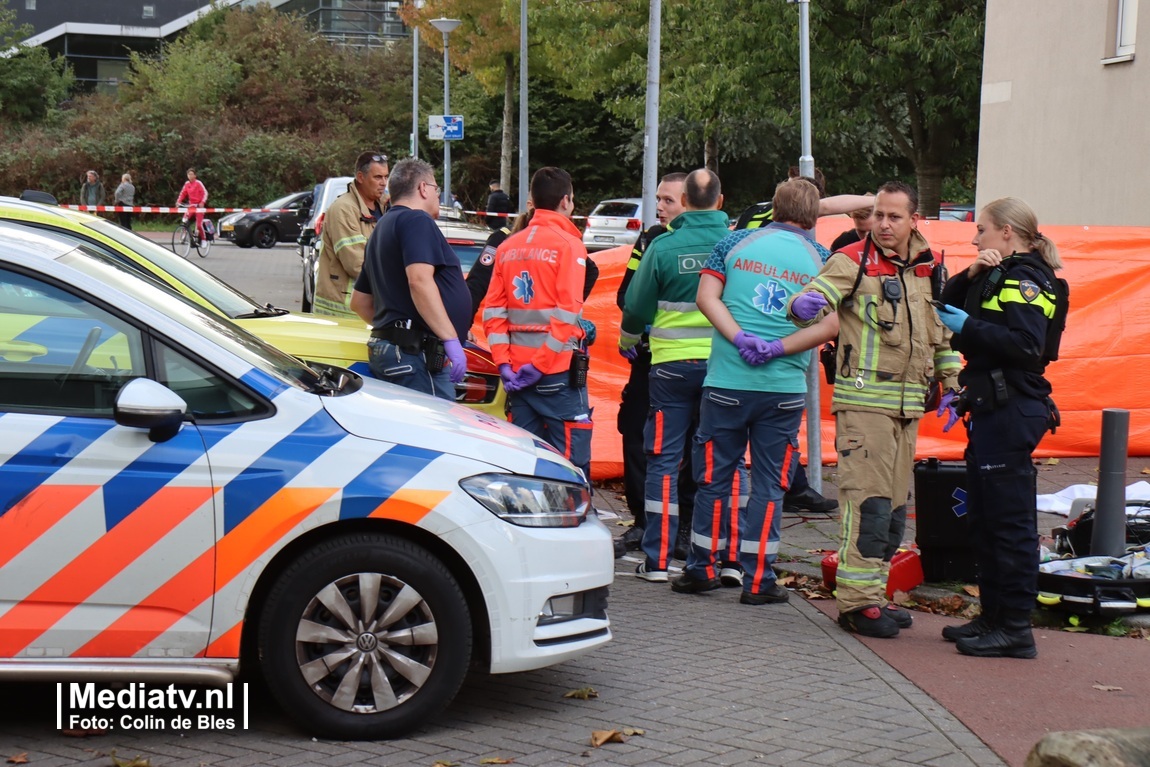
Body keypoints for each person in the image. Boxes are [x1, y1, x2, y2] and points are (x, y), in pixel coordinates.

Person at [788, 180, 962, 638]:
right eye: (879, 215)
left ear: (913, 220)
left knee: (894, 510)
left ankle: (874, 592)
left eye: (894, 217)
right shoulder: (852, 260)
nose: (884, 224)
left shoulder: (927, 268)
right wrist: (805, 305)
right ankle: (856, 604)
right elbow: (818, 294)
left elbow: (939, 334)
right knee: (867, 506)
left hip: (906, 409)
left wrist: (952, 382)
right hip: (864, 406)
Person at [673, 178, 840, 603]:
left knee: (712, 480)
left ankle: (700, 568)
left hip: (727, 383)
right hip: (783, 389)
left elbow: (707, 298)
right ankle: (759, 580)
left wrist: (739, 338)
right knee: (769, 486)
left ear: (775, 208)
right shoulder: (822, 259)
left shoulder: (734, 243)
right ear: (812, 217)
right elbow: (832, 324)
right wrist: (777, 347)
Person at [934, 197, 1066, 659]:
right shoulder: (998, 272)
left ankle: (1015, 628)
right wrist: (970, 274)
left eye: (983, 230)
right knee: (985, 522)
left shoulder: (1026, 277)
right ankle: (992, 616)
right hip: (992, 407)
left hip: (1012, 408)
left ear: (1008, 231)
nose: (975, 237)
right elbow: (942, 306)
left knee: (1009, 526)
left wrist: (970, 326)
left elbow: (1028, 346)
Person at [732, 167, 872, 517]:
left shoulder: (751, 217)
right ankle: (786, 489)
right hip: (781, 335)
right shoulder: (812, 248)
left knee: (730, 436)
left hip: (736, 327)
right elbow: (829, 324)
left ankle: (759, 494)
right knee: (778, 423)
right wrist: (876, 200)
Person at [619, 169, 733, 583]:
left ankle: (658, 559)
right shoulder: (737, 245)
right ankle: (716, 557)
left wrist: (627, 339)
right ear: (720, 202)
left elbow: (634, 306)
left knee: (664, 462)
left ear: (686, 199)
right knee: (719, 462)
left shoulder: (664, 245)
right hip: (724, 370)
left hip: (669, 371)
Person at [483, 167, 591, 478]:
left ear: (533, 201)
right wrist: (542, 364)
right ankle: (572, 522)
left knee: (523, 461)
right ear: (566, 201)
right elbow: (567, 313)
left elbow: (493, 312)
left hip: (517, 374)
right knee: (570, 461)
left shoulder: (507, 247)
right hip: (555, 373)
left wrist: (504, 364)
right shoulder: (569, 245)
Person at [615, 172, 690, 554]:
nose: (659, 207)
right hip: (648, 360)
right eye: (658, 199)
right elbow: (625, 294)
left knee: (689, 444)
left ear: (689, 203)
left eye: (668, 201)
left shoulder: (712, 243)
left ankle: (683, 528)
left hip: (687, 362)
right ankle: (643, 523)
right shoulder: (650, 239)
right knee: (634, 432)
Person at [350, 158, 469, 399]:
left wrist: (394, 327)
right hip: (416, 355)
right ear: (423, 188)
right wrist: (449, 337)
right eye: (437, 189)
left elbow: (359, 301)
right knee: (436, 431)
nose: (438, 196)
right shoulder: (417, 220)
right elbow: (419, 280)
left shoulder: (382, 227)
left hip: (397, 350)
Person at [316, 152, 390, 318]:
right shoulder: (343, 209)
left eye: (386, 177)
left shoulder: (386, 206)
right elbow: (356, 263)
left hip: (368, 308)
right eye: (378, 177)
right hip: (344, 312)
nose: (383, 183)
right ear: (360, 177)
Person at [175, 168, 209, 243]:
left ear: (195, 175)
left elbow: (205, 193)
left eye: (191, 174)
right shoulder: (187, 184)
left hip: (199, 207)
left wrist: (202, 202)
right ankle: (185, 234)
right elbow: (182, 193)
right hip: (191, 206)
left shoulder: (198, 183)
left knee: (199, 225)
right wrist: (178, 202)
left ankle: (203, 239)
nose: (190, 176)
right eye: (188, 174)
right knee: (184, 220)